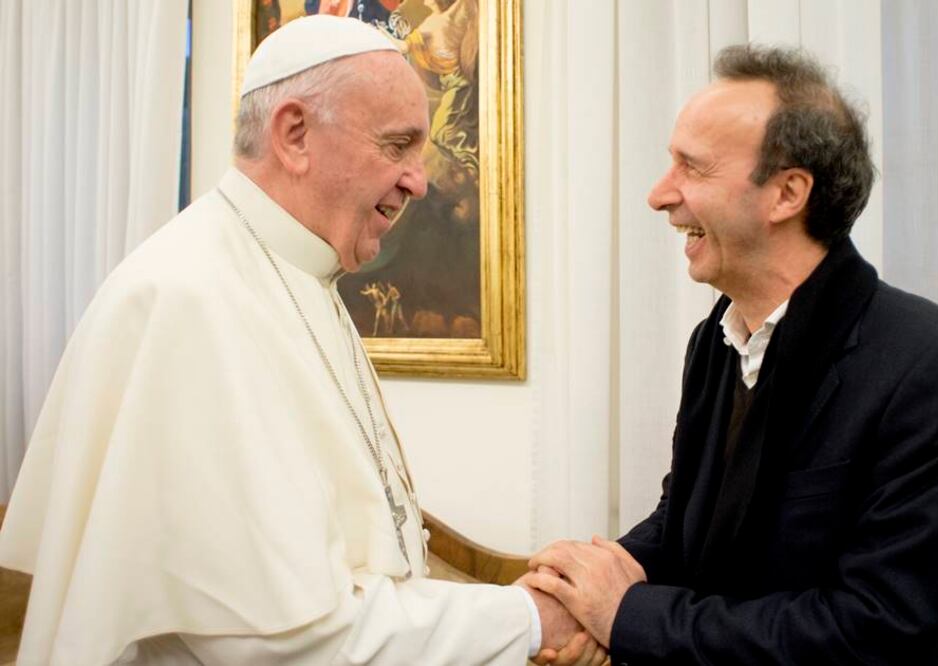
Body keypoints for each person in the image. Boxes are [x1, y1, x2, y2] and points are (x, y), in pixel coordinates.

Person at [0, 16, 602, 666]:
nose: (419, 180)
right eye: (397, 145)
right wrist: (531, 618)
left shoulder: (297, 272)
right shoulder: (190, 301)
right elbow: (285, 638)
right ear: (294, 135)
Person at [525, 44, 938, 665]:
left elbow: (876, 627)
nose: (659, 195)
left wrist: (626, 616)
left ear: (787, 194)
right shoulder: (716, 338)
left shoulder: (937, 363)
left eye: (691, 168)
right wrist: (572, 594)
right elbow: (684, 523)